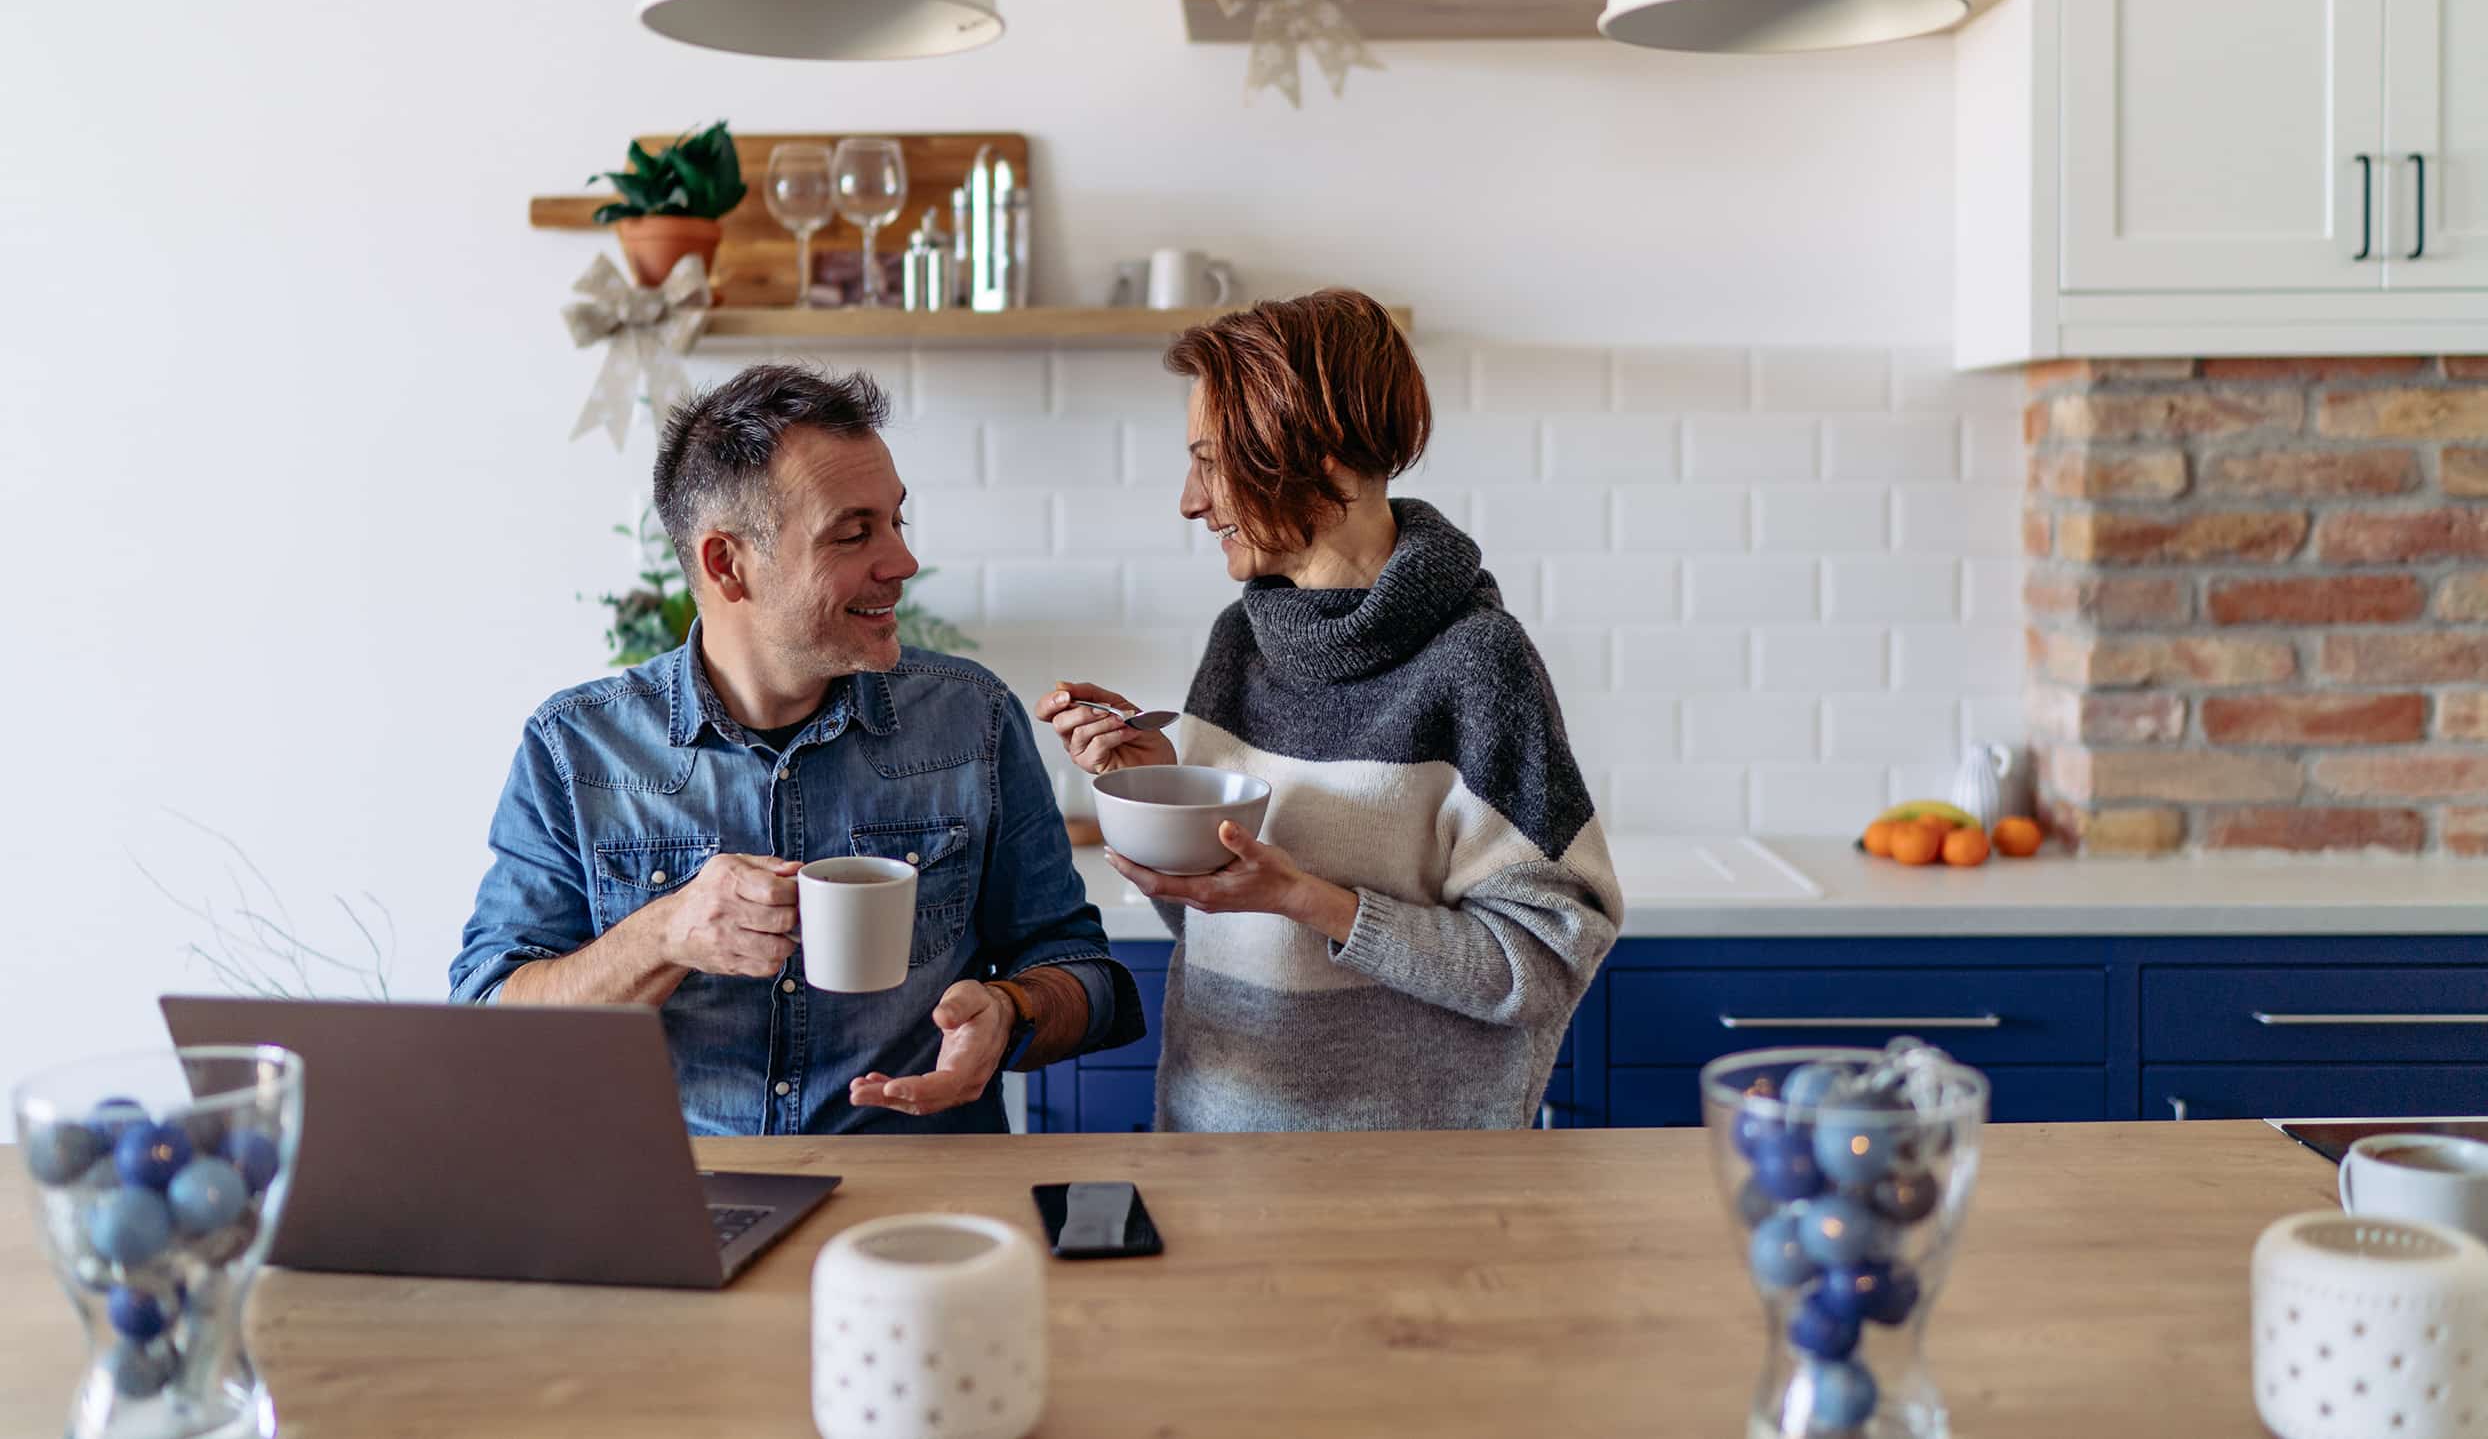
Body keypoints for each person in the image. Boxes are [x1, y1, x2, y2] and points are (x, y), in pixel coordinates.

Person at [452, 364, 1142, 1135]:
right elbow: (489, 1025)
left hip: (920, 1208)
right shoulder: (577, 747)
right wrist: (665, 932)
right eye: (854, 533)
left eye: (895, 521)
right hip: (682, 1204)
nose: (902, 562)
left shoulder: (971, 720)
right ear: (726, 563)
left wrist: (1013, 1008)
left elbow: (1090, 975)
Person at [1038, 289, 1621, 1130]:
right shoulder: (1238, 642)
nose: (1191, 501)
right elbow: (1205, 914)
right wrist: (1157, 794)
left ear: (1326, 462)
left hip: (1401, 1188)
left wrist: (1314, 900)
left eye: (1213, 461)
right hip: (1211, 1148)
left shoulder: (1476, 664)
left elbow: (1549, 957)